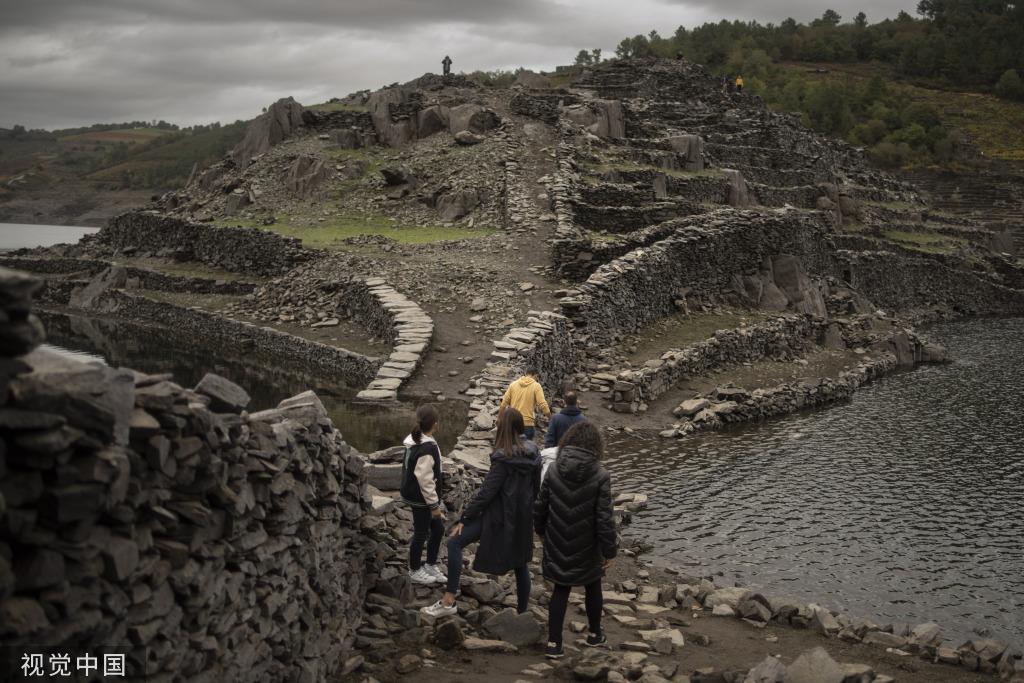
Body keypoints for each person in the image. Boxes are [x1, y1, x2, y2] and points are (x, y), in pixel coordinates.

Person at [421, 408, 541, 617]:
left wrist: (465, 518)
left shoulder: (503, 458)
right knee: (521, 562)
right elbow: (537, 489)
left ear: (504, 427)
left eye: (498, 421)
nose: (495, 422)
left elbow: (486, 493)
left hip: (497, 517)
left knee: (454, 543)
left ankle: (448, 601)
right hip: (521, 518)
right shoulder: (534, 453)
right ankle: (523, 614)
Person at [534, 421, 617, 659]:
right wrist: (609, 550)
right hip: (588, 545)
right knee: (593, 585)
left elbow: (540, 505)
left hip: (558, 538)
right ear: (595, 446)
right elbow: (605, 518)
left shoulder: (553, 469)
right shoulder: (601, 475)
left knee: (561, 589)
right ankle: (594, 634)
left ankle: (554, 644)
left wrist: (540, 531)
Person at [400, 405, 446, 586]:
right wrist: (434, 506)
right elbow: (425, 479)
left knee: (438, 529)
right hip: (421, 499)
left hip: (418, 495)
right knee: (421, 533)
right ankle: (414, 569)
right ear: (435, 424)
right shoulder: (426, 448)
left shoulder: (417, 440)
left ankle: (430, 564)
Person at [499, 366, 551, 442]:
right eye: (537, 378)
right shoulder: (536, 386)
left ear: (526, 373)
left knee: (513, 449)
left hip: (513, 423)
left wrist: (499, 418)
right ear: (535, 375)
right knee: (526, 451)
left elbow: (503, 404)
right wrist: (550, 417)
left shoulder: (513, 384)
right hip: (527, 424)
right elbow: (543, 404)